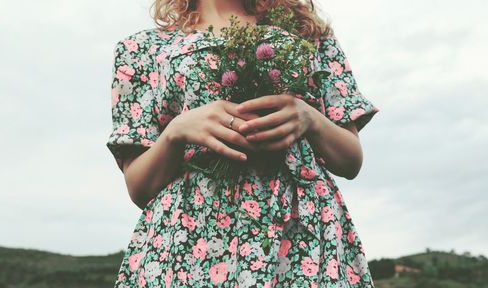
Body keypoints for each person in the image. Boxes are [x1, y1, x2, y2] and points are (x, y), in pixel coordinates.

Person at [106, 0, 380, 287]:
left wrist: (309, 118)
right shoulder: (141, 49)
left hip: (300, 235)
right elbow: (138, 188)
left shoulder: (307, 32)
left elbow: (350, 161)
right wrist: (176, 132)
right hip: (193, 242)